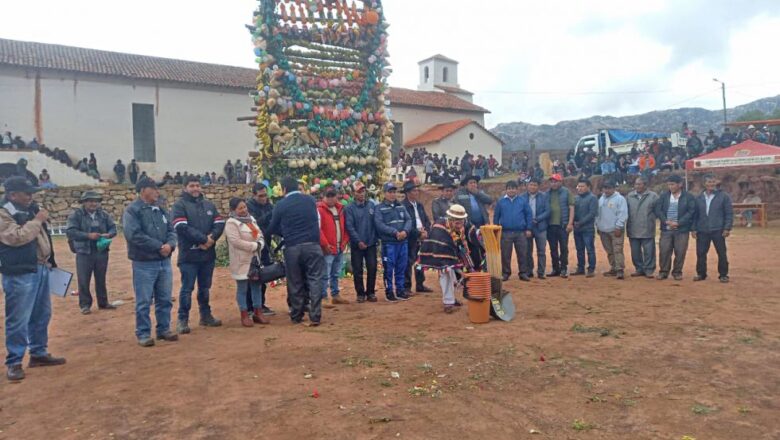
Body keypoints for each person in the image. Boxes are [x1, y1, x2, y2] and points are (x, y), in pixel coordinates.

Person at [0, 177, 65, 381]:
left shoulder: (28, 210)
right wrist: (37, 220)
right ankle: (15, 361)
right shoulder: (4, 213)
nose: (31, 196)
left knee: (41, 314)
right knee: (18, 319)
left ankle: (38, 352)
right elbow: (16, 237)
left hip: (41, 267)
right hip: (20, 272)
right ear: (12, 194)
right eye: (26, 193)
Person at [122, 177, 178, 347]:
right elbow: (134, 235)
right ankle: (143, 333)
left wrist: (170, 244)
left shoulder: (161, 210)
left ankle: (163, 329)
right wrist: (158, 246)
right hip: (144, 263)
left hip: (163, 261)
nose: (157, 192)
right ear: (143, 190)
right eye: (154, 188)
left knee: (165, 298)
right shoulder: (132, 211)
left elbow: (171, 230)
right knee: (144, 300)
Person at [171, 176, 225, 334]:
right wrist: (203, 239)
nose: (195, 188)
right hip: (189, 256)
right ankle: (182, 319)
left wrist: (211, 239)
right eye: (191, 185)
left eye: (197, 185)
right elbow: (181, 227)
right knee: (187, 288)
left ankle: (205, 316)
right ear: (185, 188)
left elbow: (220, 223)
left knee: (205, 288)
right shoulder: (179, 205)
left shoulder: (208, 205)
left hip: (207, 255)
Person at [267, 177, 325, 325]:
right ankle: (315, 314)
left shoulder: (280, 205)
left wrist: (285, 233)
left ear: (284, 189)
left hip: (292, 247)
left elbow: (273, 227)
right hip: (313, 245)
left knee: (295, 281)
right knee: (315, 279)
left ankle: (296, 314)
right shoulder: (310, 200)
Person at [419, 204, 481, 313]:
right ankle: (448, 302)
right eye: (457, 221)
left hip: (452, 253)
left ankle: (451, 298)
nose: (460, 224)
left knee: (453, 277)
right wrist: (461, 271)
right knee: (446, 273)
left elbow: (462, 243)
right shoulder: (439, 228)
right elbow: (443, 252)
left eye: (462, 221)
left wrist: (469, 266)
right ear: (451, 219)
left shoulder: (461, 226)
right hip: (438, 253)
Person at [66, 190, 118, 315]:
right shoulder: (76, 215)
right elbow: (71, 232)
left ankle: (103, 302)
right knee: (83, 279)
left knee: (101, 278)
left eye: (95, 201)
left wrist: (109, 234)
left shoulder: (104, 214)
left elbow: (113, 228)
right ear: (84, 202)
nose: (93, 204)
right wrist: (88, 235)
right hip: (84, 251)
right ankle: (85, 305)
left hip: (101, 251)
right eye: (90, 201)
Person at [224, 198, 268, 327]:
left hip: (254, 260)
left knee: (256, 286)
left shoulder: (251, 219)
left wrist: (260, 242)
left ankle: (258, 313)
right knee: (242, 288)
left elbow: (259, 233)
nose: (244, 210)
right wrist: (254, 246)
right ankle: (244, 315)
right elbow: (235, 242)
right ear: (233, 210)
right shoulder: (231, 223)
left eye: (244, 207)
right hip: (241, 261)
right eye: (240, 208)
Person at [374, 182, 412, 302]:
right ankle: (389, 291)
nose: (392, 194)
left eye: (394, 192)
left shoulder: (401, 206)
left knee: (402, 267)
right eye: (390, 192)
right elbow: (379, 225)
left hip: (403, 242)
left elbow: (408, 219)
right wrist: (395, 232)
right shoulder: (379, 208)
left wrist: (405, 231)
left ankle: (400, 291)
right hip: (389, 243)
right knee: (389, 268)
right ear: (384, 193)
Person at [654, 175, 696, 281]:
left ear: (680, 184)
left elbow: (691, 212)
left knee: (680, 251)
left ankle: (677, 272)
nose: (670, 186)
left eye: (672, 184)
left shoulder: (688, 197)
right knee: (664, 251)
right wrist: (665, 221)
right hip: (666, 229)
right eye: (668, 184)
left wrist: (679, 223)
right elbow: (658, 210)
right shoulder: (664, 196)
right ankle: (663, 272)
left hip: (682, 230)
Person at [692, 176, 733, 283]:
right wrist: (694, 229)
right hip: (702, 230)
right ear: (705, 184)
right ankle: (701, 273)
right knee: (700, 253)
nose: (712, 184)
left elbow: (729, 213)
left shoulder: (724, 197)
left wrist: (727, 228)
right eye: (709, 182)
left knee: (721, 253)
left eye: (713, 182)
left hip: (718, 229)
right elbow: (695, 215)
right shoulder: (699, 197)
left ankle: (723, 275)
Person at [345, 182, 378, 303]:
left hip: (371, 243)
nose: (362, 194)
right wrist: (358, 241)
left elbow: (376, 223)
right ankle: (360, 293)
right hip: (356, 244)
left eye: (363, 191)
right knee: (357, 270)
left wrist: (373, 239)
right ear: (354, 193)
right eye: (359, 191)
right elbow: (349, 226)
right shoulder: (349, 208)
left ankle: (371, 292)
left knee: (372, 268)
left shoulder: (371, 205)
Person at [246, 183, 276, 315]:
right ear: (254, 195)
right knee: (252, 276)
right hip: (253, 247)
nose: (264, 198)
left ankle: (260, 304)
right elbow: (254, 224)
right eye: (261, 196)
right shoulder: (248, 207)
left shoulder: (269, 205)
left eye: (265, 195)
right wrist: (270, 214)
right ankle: (250, 306)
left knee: (263, 276)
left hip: (266, 245)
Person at [493, 180, 532, 281]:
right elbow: (496, 217)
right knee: (505, 254)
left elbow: (529, 215)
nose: (511, 190)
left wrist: (528, 228)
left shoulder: (522, 201)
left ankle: (523, 273)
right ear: (506, 190)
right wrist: (496, 231)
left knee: (522, 253)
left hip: (521, 232)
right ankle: (506, 273)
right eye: (509, 188)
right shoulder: (501, 202)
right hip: (506, 232)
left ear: (517, 189)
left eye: (513, 188)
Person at [317, 187, 350, 305]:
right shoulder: (319, 210)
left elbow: (346, 227)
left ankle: (335, 294)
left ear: (337, 196)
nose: (331, 199)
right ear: (323, 197)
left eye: (333, 196)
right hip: (327, 249)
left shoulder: (340, 209)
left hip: (339, 247)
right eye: (328, 196)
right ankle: (323, 296)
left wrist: (345, 241)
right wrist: (325, 245)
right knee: (325, 273)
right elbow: (318, 229)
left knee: (336, 273)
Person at [401, 181, 433, 294]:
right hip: (411, 237)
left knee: (420, 261)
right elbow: (406, 225)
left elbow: (427, 220)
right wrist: (419, 234)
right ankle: (406, 286)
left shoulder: (419, 205)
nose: (417, 192)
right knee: (409, 262)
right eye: (414, 190)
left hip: (422, 236)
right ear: (408, 193)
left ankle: (420, 284)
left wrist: (427, 231)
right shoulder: (403, 206)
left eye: (416, 190)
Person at [626, 177, 659, 278]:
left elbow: (658, 211)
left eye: (639, 184)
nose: (637, 186)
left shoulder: (653, 196)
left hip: (647, 228)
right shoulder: (629, 196)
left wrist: (650, 219)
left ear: (645, 185)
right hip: (633, 228)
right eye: (636, 184)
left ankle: (649, 270)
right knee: (635, 252)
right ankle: (639, 269)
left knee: (649, 252)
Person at [596, 180, 628, 279]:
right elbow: (598, 215)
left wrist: (619, 226)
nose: (606, 190)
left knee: (617, 250)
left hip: (615, 230)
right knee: (609, 251)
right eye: (605, 188)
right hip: (603, 230)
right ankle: (613, 267)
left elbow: (623, 214)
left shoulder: (620, 199)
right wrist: (598, 226)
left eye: (609, 188)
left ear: (614, 188)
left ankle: (620, 270)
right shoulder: (601, 199)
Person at [520, 177, 550, 279]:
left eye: (535, 185)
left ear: (538, 186)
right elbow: (520, 212)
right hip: (527, 227)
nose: (533, 187)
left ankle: (541, 272)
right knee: (528, 251)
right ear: (527, 186)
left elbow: (548, 211)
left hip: (540, 227)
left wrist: (537, 219)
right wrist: (527, 222)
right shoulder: (522, 197)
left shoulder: (544, 196)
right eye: (531, 184)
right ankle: (529, 271)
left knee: (541, 251)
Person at [546, 174, 574, 278]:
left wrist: (570, 223)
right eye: (552, 181)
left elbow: (571, 207)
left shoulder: (566, 192)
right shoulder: (547, 194)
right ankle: (555, 269)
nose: (553, 183)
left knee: (563, 248)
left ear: (560, 182)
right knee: (553, 248)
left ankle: (564, 268)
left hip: (563, 225)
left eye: (556, 181)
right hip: (550, 225)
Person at [572, 179, 598, 277]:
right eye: (578, 186)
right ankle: (580, 268)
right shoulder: (576, 198)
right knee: (579, 249)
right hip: (577, 228)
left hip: (588, 228)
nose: (580, 188)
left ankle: (591, 269)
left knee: (590, 249)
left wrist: (580, 222)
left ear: (588, 187)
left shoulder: (593, 198)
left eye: (582, 186)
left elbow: (592, 213)